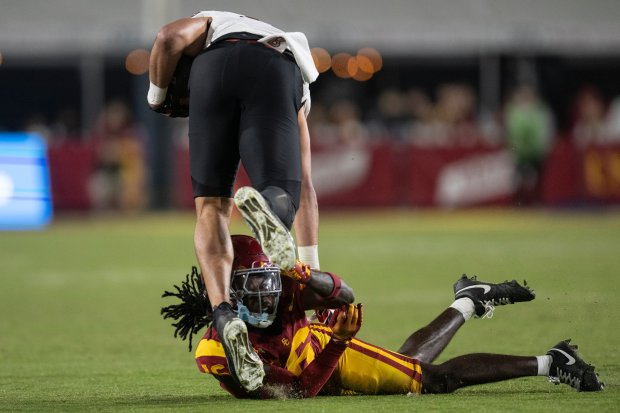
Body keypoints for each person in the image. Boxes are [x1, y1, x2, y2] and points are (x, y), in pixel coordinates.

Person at [161, 235, 604, 398]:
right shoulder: (215, 351)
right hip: (312, 366)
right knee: (410, 365)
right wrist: (337, 343)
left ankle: (551, 360)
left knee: (432, 380)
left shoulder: (288, 289)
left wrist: (309, 276)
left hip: (318, 350)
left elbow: (346, 295)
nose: (265, 295)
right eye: (252, 286)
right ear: (224, 292)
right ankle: (468, 300)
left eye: (268, 282)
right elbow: (295, 392)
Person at [148, 11, 321, 391]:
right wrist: (309, 269)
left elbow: (166, 39)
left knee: (210, 207)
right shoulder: (268, 41)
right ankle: (271, 212)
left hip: (212, 71)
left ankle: (223, 312)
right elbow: (306, 186)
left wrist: (156, 97)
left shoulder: (210, 23)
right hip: (273, 69)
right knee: (283, 189)